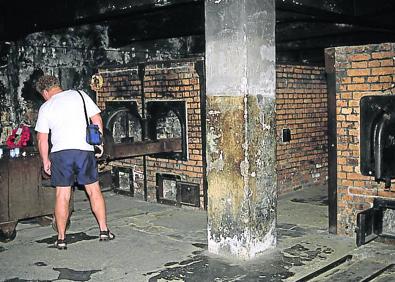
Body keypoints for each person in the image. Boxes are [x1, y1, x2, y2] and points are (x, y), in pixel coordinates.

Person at [34, 75, 114, 250]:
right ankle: (103, 230)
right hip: (84, 150)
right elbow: (97, 119)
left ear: (46, 92)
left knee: (62, 195)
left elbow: (42, 139)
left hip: (61, 154)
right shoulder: (80, 95)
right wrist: (98, 144)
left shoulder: (46, 106)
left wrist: (46, 160)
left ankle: (61, 239)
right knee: (93, 191)